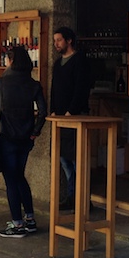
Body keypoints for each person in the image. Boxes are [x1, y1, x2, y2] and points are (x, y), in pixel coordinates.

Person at [0, 46, 47, 238]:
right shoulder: (34, 84)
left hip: (6, 137)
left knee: (11, 181)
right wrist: (35, 132)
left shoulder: (2, 82)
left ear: (11, 61)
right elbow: (43, 111)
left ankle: (17, 224)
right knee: (20, 177)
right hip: (25, 138)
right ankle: (30, 219)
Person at [49, 27, 92, 210]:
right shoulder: (58, 64)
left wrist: (71, 110)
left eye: (59, 40)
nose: (56, 44)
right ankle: (71, 195)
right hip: (59, 117)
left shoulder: (80, 60)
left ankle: (83, 199)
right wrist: (52, 111)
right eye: (54, 41)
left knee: (77, 158)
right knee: (64, 158)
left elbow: (82, 88)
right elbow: (54, 89)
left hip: (75, 116)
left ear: (69, 41)